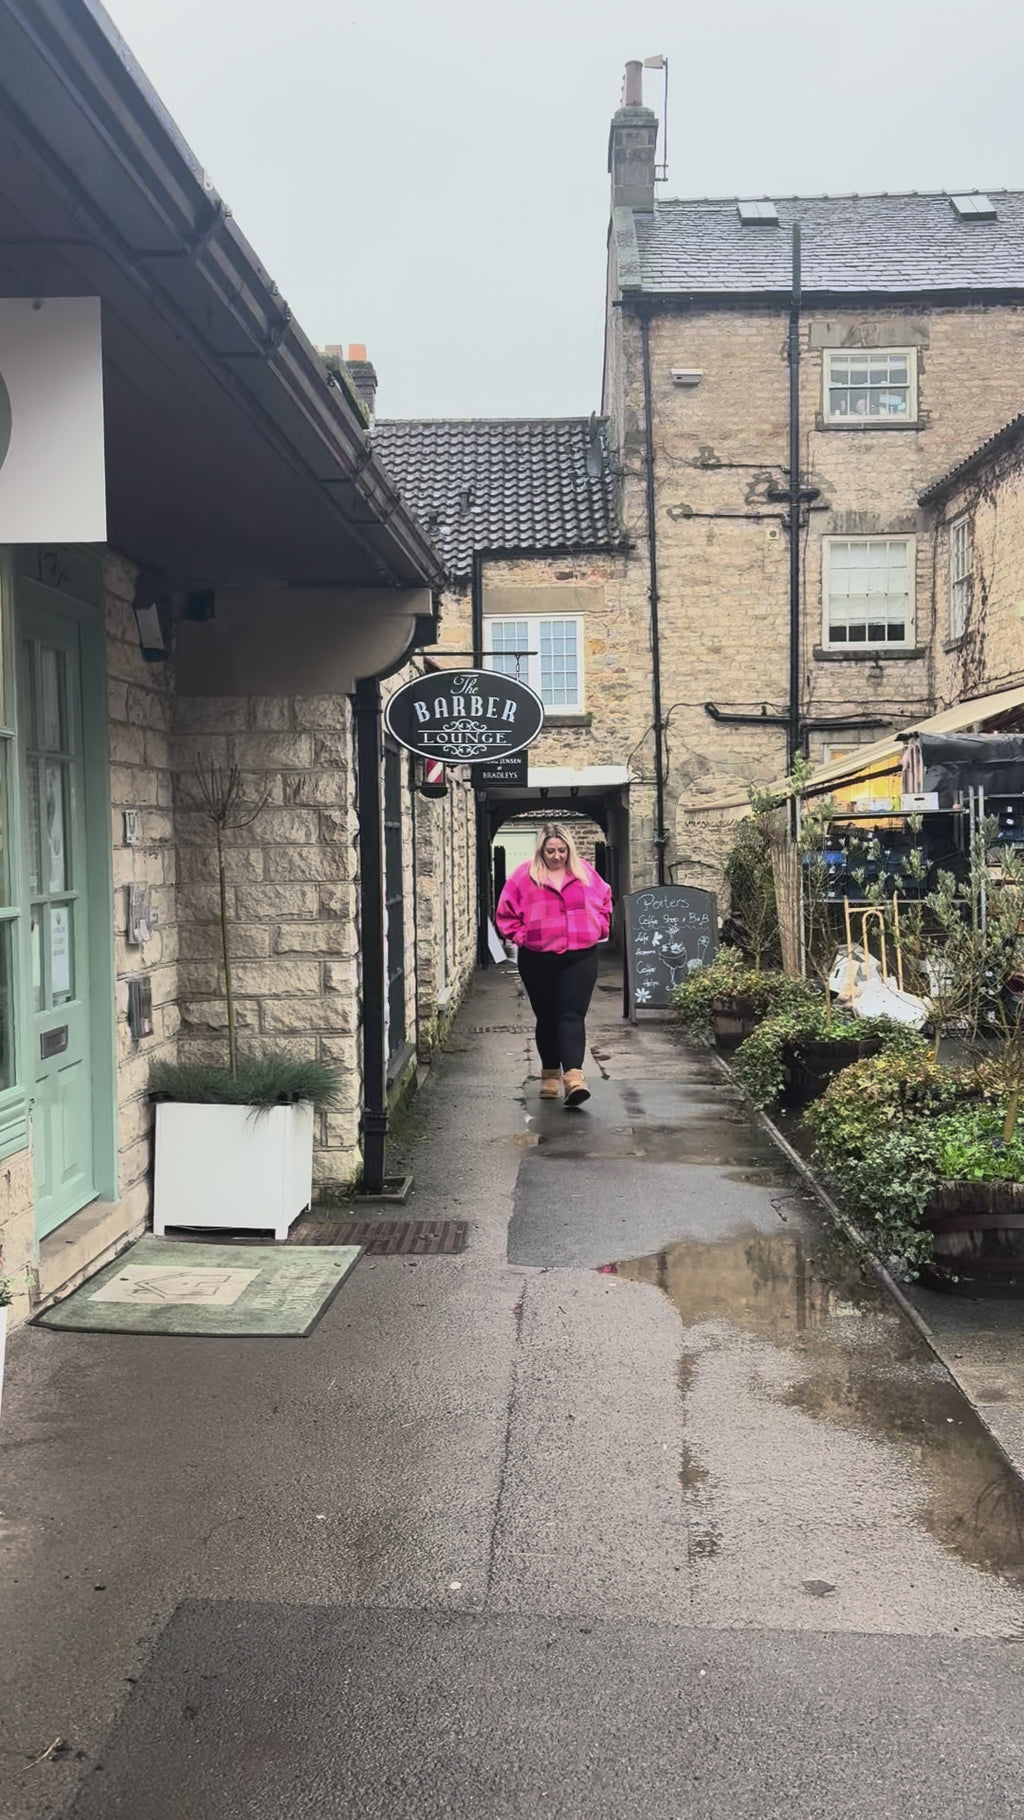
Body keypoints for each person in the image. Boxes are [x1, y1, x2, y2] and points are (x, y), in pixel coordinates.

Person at [495, 822, 613, 1106]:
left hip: (580, 956)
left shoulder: (585, 873)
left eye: (562, 850)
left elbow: (605, 901)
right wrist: (523, 936)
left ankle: (574, 1079)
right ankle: (550, 1074)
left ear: (569, 849)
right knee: (547, 1016)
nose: (557, 856)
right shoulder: (524, 876)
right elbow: (505, 913)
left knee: (571, 1014)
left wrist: (599, 926)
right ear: (541, 850)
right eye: (551, 851)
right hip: (538, 958)